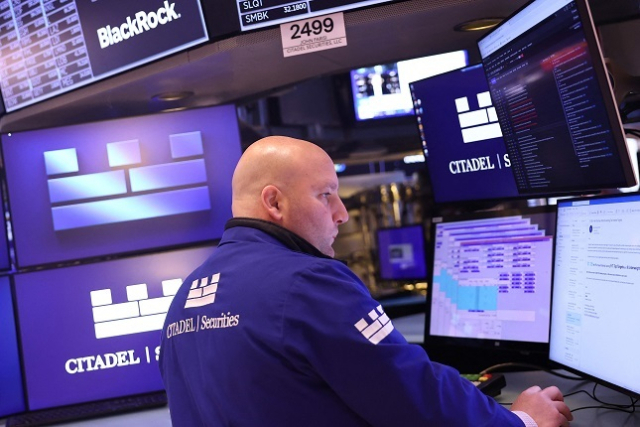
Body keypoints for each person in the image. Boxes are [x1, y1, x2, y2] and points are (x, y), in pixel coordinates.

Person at [159, 136, 572, 427]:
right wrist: (521, 420)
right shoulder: (307, 281)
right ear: (274, 202)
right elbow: (411, 393)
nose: (341, 213)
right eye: (325, 195)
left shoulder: (185, 297)